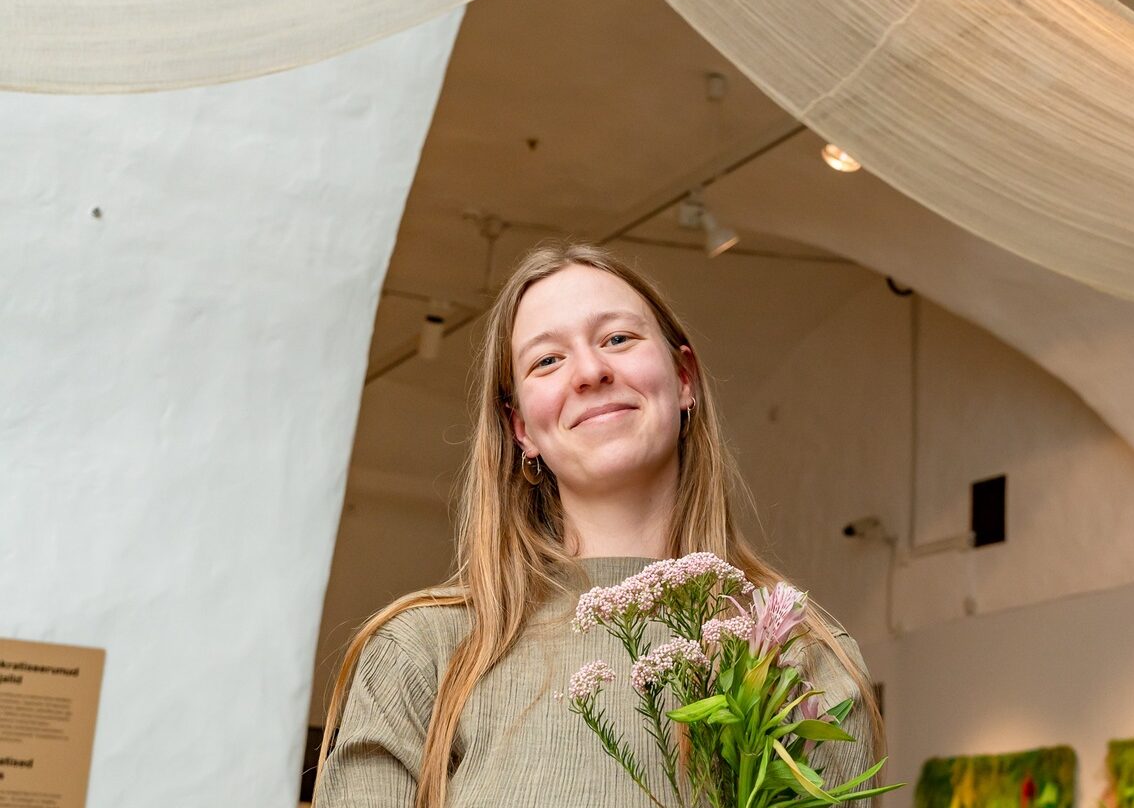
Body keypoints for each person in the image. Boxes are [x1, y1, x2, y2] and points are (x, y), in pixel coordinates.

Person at [314, 241, 885, 807]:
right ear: (522, 429)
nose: (589, 371)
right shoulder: (423, 654)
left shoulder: (795, 653)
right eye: (547, 360)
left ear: (684, 377)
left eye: (618, 338)